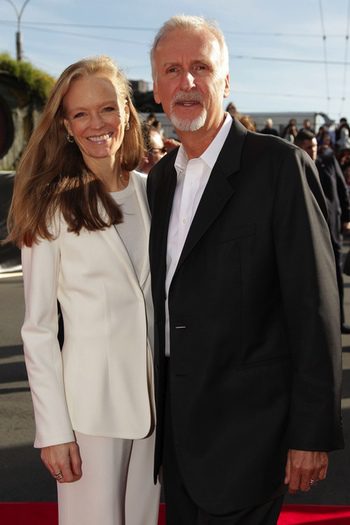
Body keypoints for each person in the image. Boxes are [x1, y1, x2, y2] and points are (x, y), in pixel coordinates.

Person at [147, 15, 343, 525]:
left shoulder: (278, 166)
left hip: (252, 433)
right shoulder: (161, 179)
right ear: (156, 88)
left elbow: (314, 303)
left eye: (201, 67)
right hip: (179, 437)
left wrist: (311, 432)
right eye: (172, 69)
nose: (187, 82)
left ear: (226, 82)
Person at [6, 56, 160, 525]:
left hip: (156, 408)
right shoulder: (50, 207)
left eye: (108, 109)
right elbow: (37, 328)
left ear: (127, 114)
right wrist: (53, 430)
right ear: (66, 126)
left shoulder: (155, 192)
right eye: (80, 113)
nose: (98, 124)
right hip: (88, 413)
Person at [295, 129, 350, 334]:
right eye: (308, 148)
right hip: (307, 234)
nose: (313, 151)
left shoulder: (328, 161)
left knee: (335, 276)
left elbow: (342, 189)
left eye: (315, 147)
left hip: (332, 229)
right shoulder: (292, 166)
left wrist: (346, 217)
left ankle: (339, 321)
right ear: (299, 147)